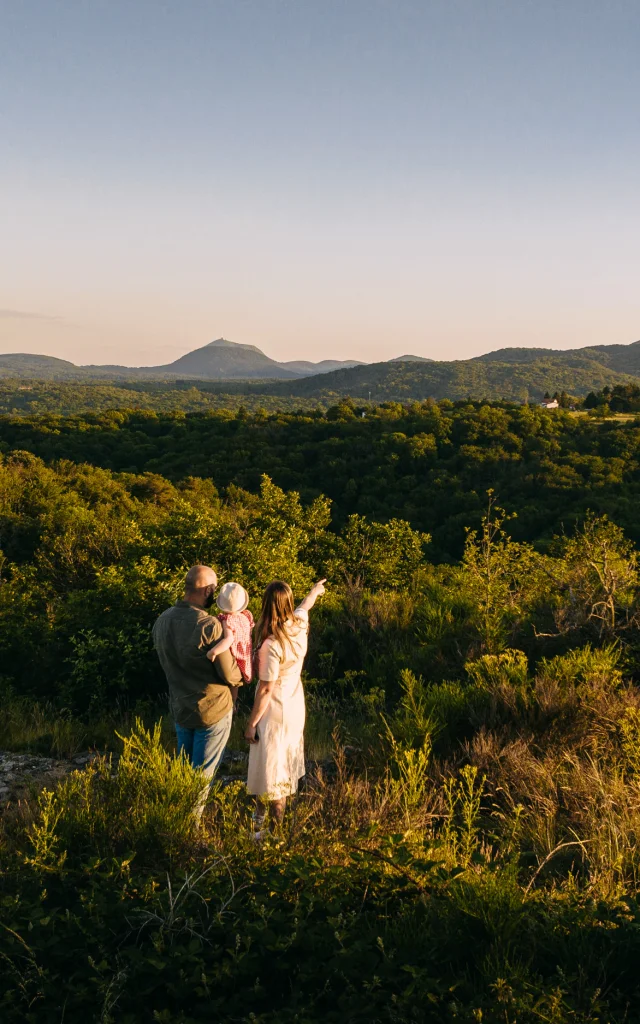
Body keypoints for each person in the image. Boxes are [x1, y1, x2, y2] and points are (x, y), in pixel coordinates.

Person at [152, 565, 243, 818]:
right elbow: (229, 673)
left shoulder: (162, 621)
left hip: (181, 707)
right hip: (212, 710)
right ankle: (188, 835)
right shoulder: (209, 625)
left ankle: (173, 823)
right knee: (201, 780)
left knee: (183, 775)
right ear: (208, 590)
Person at [245, 578, 327, 837]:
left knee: (271, 769)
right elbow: (306, 606)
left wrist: (251, 723)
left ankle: (269, 831)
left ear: (266, 606)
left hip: (274, 709)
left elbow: (266, 688)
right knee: (277, 766)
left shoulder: (271, 645)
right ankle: (267, 828)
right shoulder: (299, 626)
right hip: (294, 705)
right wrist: (315, 590)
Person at [205, 581, 254, 684]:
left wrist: (213, 652)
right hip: (246, 654)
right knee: (236, 684)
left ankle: (232, 699)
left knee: (232, 681)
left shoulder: (228, 620)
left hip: (236, 656)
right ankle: (234, 700)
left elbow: (229, 639)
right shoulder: (246, 616)